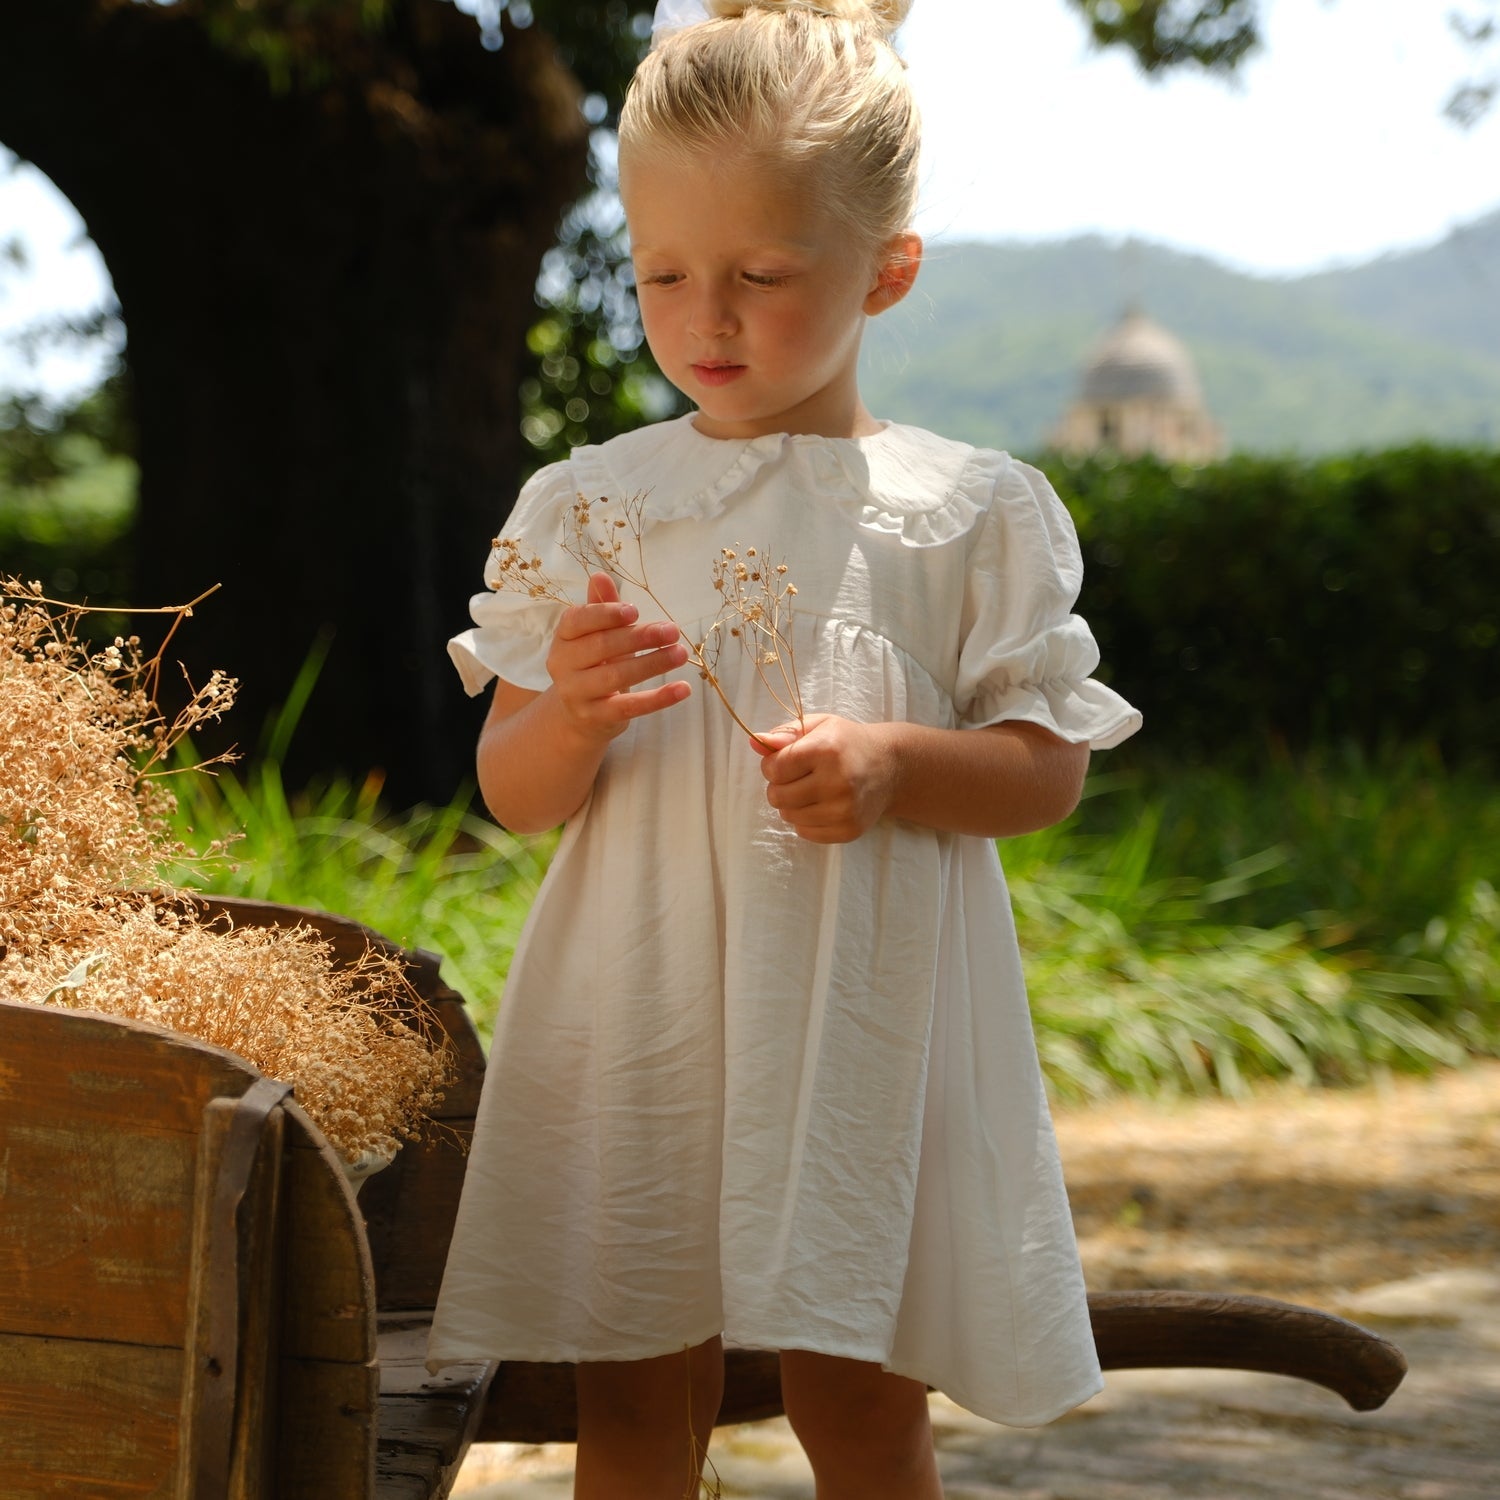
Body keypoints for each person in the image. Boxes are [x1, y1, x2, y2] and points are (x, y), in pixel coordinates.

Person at [428, 1, 1142, 1495]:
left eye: (761, 275)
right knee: (629, 1401)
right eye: (663, 276)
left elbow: (1046, 765)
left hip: (864, 1021)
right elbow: (513, 794)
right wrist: (564, 711)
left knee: (864, 1397)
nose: (708, 320)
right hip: (649, 1015)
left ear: (888, 272)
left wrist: (894, 763)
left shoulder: (967, 511)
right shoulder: (595, 506)